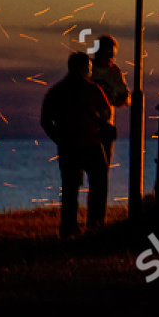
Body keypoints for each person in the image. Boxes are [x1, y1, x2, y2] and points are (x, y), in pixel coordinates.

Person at [40, 53, 114, 237]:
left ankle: (68, 226)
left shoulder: (56, 91)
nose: (90, 71)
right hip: (92, 143)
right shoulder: (93, 89)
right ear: (84, 69)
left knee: (70, 188)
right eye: (89, 68)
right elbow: (105, 114)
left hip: (67, 146)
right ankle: (95, 223)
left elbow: (45, 120)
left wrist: (58, 137)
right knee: (99, 183)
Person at [89, 36, 129, 166]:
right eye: (107, 54)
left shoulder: (114, 72)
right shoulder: (88, 69)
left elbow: (125, 98)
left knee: (102, 170)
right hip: (84, 127)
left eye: (112, 55)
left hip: (104, 128)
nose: (109, 58)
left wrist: (112, 100)